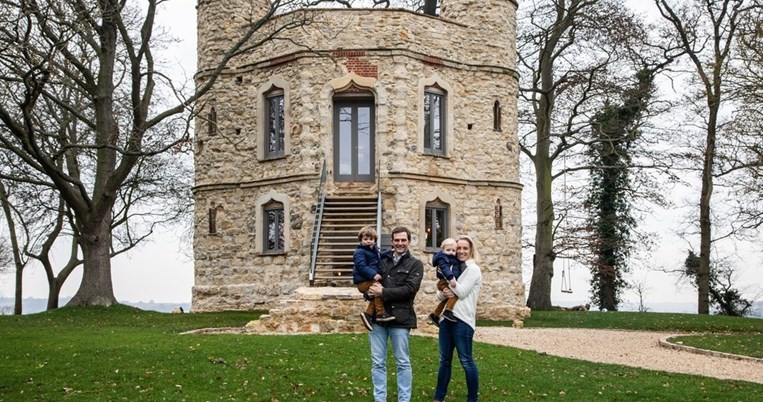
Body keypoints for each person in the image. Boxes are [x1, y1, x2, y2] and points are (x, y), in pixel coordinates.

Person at [366, 226, 423, 402]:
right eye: (396, 240)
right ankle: (379, 399)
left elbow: (409, 290)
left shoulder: (415, 264)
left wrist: (382, 292)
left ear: (409, 242)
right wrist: (368, 292)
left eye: (403, 240)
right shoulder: (381, 261)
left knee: (402, 362)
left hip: (400, 319)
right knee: (377, 363)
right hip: (378, 320)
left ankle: (404, 400)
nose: (400, 243)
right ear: (392, 241)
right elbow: (369, 281)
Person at [433, 235, 483, 402]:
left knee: (466, 361)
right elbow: (439, 295)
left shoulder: (473, 269)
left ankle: (472, 398)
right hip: (447, 320)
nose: (460, 251)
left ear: (470, 250)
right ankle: (439, 397)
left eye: (464, 248)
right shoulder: (452, 265)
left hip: (463, 321)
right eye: (458, 248)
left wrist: (449, 286)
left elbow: (461, 292)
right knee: (444, 361)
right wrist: (443, 292)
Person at [353, 225, 395, 331]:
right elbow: (361, 266)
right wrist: (373, 275)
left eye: (371, 239)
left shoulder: (374, 250)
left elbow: (380, 256)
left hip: (368, 280)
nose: (368, 241)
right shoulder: (360, 252)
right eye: (365, 239)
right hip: (363, 282)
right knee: (378, 288)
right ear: (361, 240)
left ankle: (368, 314)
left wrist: (391, 251)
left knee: (377, 293)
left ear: (375, 240)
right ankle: (380, 313)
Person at [428, 238, 461, 327]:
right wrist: (451, 278)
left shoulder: (452, 258)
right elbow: (445, 269)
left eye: (453, 250)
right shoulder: (443, 258)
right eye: (448, 250)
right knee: (454, 295)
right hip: (444, 281)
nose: (451, 252)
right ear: (443, 250)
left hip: (446, 281)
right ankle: (448, 311)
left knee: (448, 297)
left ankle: (435, 314)